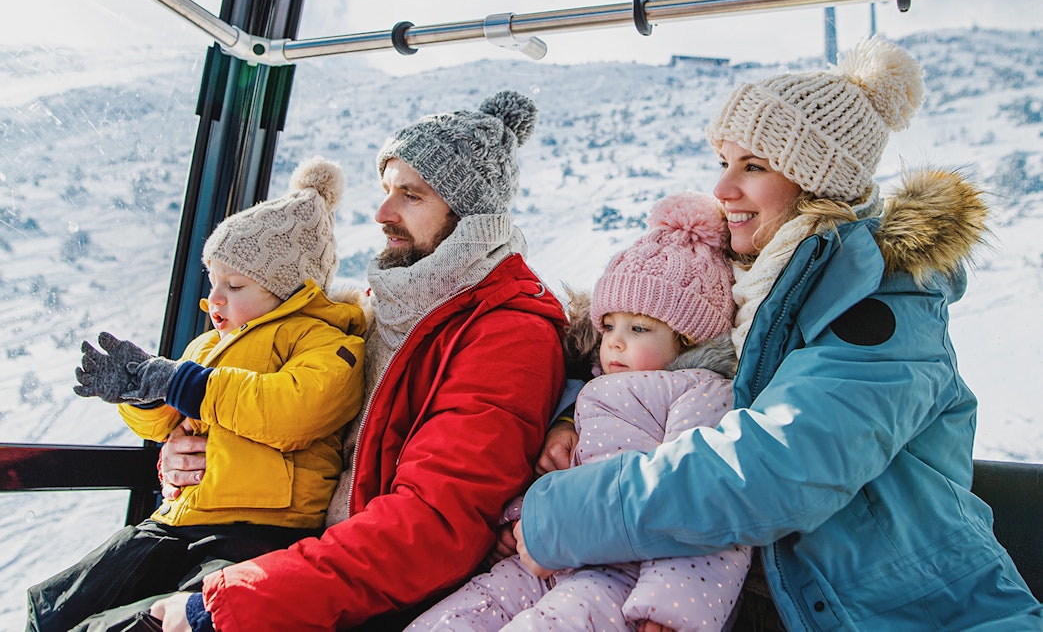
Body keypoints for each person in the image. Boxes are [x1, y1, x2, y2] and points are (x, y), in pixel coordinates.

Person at [515, 37, 1043, 630]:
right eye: (723, 161)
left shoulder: (884, 308)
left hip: (912, 614)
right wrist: (569, 420)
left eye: (754, 166)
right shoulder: (748, 286)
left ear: (816, 184)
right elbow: (649, 354)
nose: (721, 189)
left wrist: (564, 516)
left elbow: (777, 468)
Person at [150, 89, 568, 631]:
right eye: (386, 189)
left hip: (371, 594)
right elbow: (292, 417)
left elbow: (431, 526)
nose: (381, 212)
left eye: (411, 196)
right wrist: (186, 456)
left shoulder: (508, 335)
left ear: (468, 216)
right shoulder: (371, 311)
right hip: (289, 547)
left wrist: (236, 603)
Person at [26, 157, 369, 632]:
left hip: (256, 532)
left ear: (290, 290)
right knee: (61, 607)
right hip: (177, 520)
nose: (216, 299)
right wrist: (142, 393)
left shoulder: (326, 341)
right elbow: (167, 421)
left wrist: (181, 381)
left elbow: (292, 410)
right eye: (213, 281)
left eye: (235, 285)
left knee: (147, 623)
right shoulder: (208, 347)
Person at [409, 192, 751, 632]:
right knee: (460, 614)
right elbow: (567, 477)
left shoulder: (701, 393)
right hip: (547, 561)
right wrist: (519, 525)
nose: (615, 342)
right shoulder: (587, 391)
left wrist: (671, 611)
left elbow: (705, 503)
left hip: (620, 576)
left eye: (639, 328)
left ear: (687, 338)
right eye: (609, 325)